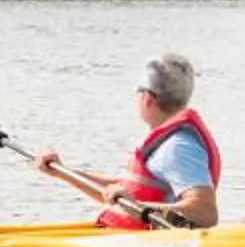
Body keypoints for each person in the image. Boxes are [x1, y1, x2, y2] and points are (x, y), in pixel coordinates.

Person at [37, 53, 221, 231]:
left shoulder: (177, 147)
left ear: (147, 98)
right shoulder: (166, 145)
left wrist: (134, 206)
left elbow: (204, 212)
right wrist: (62, 171)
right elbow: (120, 193)